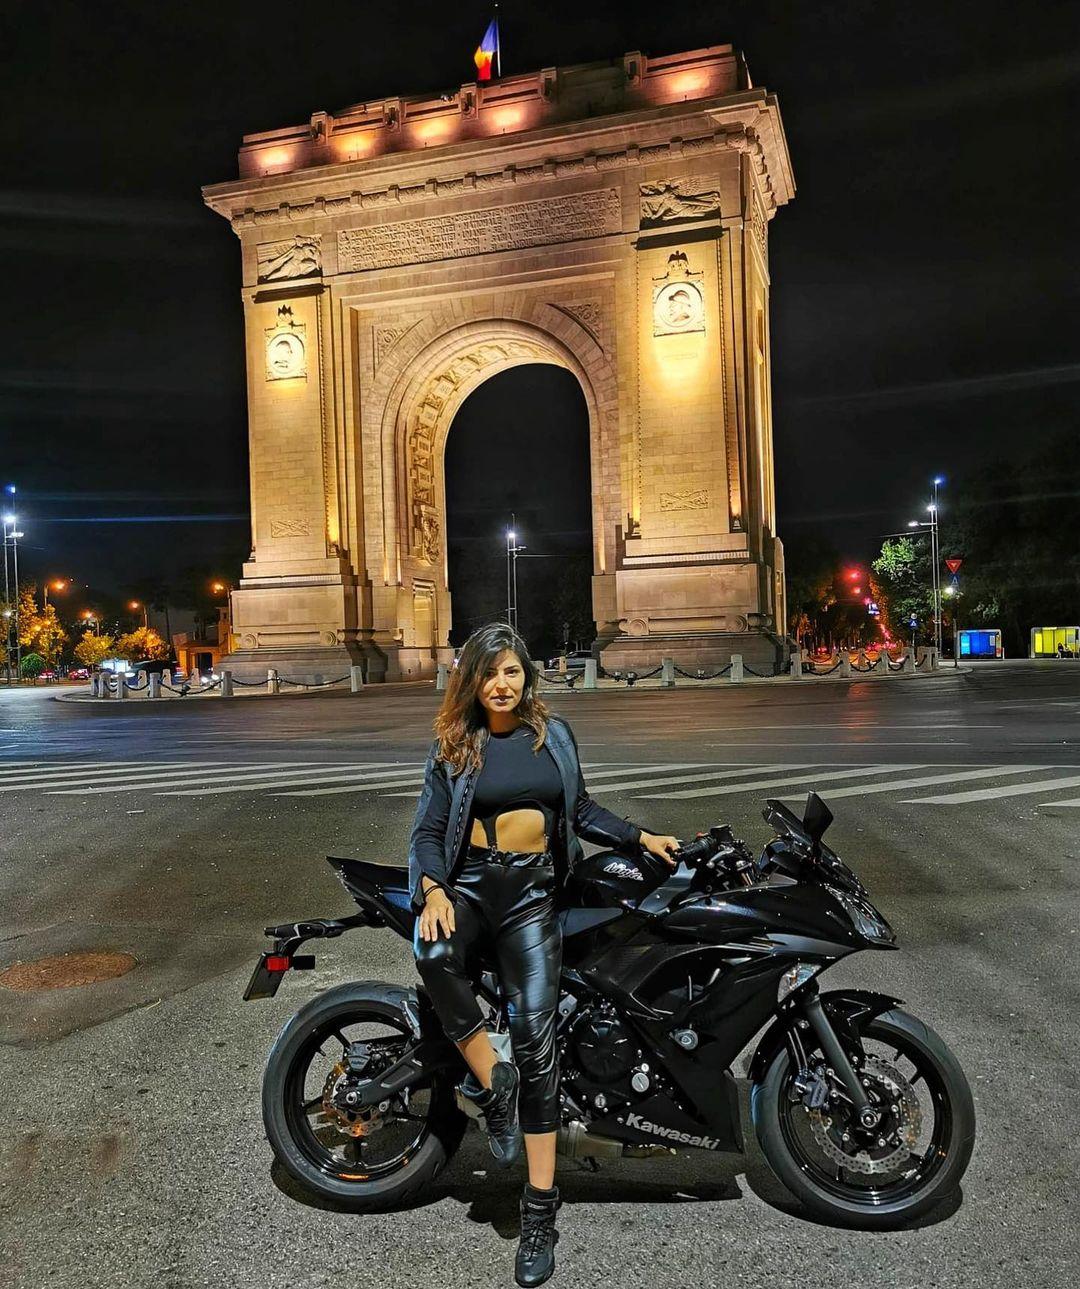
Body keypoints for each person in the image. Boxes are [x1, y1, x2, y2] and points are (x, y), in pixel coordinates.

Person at [409, 622, 679, 1287]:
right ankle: (493, 1084)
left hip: (532, 896)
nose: (501, 684)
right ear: (471, 681)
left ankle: (538, 1211)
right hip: (471, 887)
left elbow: (580, 809)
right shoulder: (455, 744)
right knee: (434, 951)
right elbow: (427, 831)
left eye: (511, 671)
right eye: (488, 673)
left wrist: (639, 835)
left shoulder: (552, 736)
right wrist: (433, 889)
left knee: (537, 1039)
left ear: (527, 676)